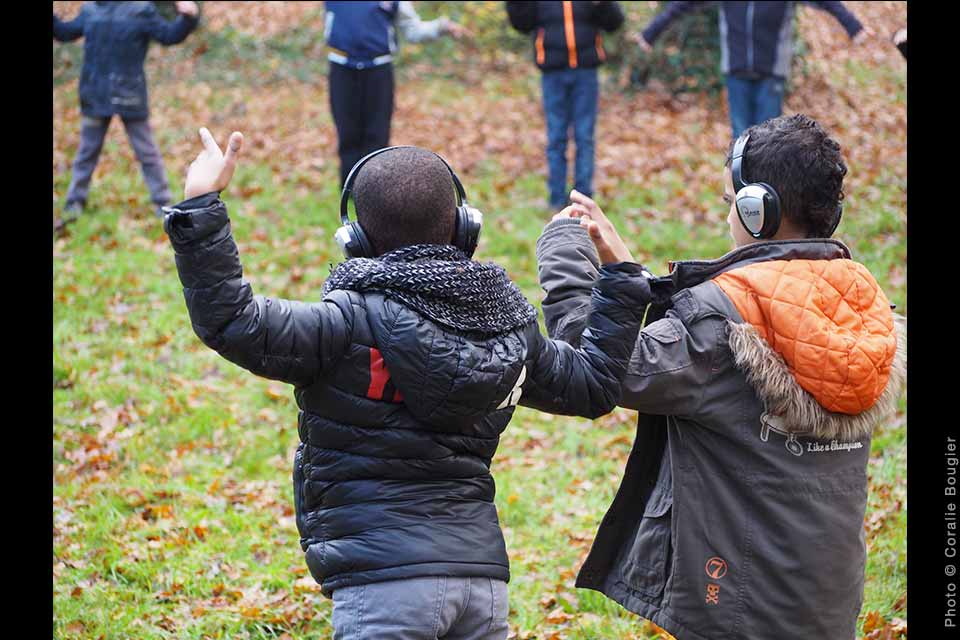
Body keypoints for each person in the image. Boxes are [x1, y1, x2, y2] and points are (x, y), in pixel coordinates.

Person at [162, 132, 653, 638]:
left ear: (356, 240)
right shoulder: (510, 326)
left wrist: (201, 205)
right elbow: (594, 384)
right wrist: (620, 277)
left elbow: (233, 321)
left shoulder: (343, 323)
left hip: (382, 590)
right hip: (481, 585)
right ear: (464, 229)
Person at [535, 114, 905, 640]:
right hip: (828, 603)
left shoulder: (718, 326)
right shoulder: (859, 307)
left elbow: (599, 367)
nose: (728, 211)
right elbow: (717, 334)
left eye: (732, 200)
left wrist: (565, 252)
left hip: (737, 608)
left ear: (758, 212)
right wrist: (629, 273)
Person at [53, 1, 200, 226]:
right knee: (86, 154)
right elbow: (65, 32)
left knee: (147, 153)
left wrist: (188, 18)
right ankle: (74, 204)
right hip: (95, 93)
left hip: (129, 95)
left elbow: (168, 35)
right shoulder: (91, 9)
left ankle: (163, 205)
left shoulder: (141, 10)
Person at [637, 2, 869, 137]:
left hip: (771, 73)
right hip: (736, 71)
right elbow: (683, 4)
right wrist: (651, 33)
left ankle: (769, 198)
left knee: (770, 138)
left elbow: (827, 2)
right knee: (741, 138)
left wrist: (854, 27)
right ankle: (743, 199)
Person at [323, 1, 469, 186]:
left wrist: (442, 26)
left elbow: (413, 30)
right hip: (342, 69)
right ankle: (348, 190)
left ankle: (374, 190)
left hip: (378, 70)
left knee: (377, 135)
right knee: (347, 133)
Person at [506, 1, 625, 210]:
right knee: (556, 138)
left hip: (586, 72)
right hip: (552, 73)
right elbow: (522, 24)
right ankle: (556, 199)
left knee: (584, 137)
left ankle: (584, 199)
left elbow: (614, 23)